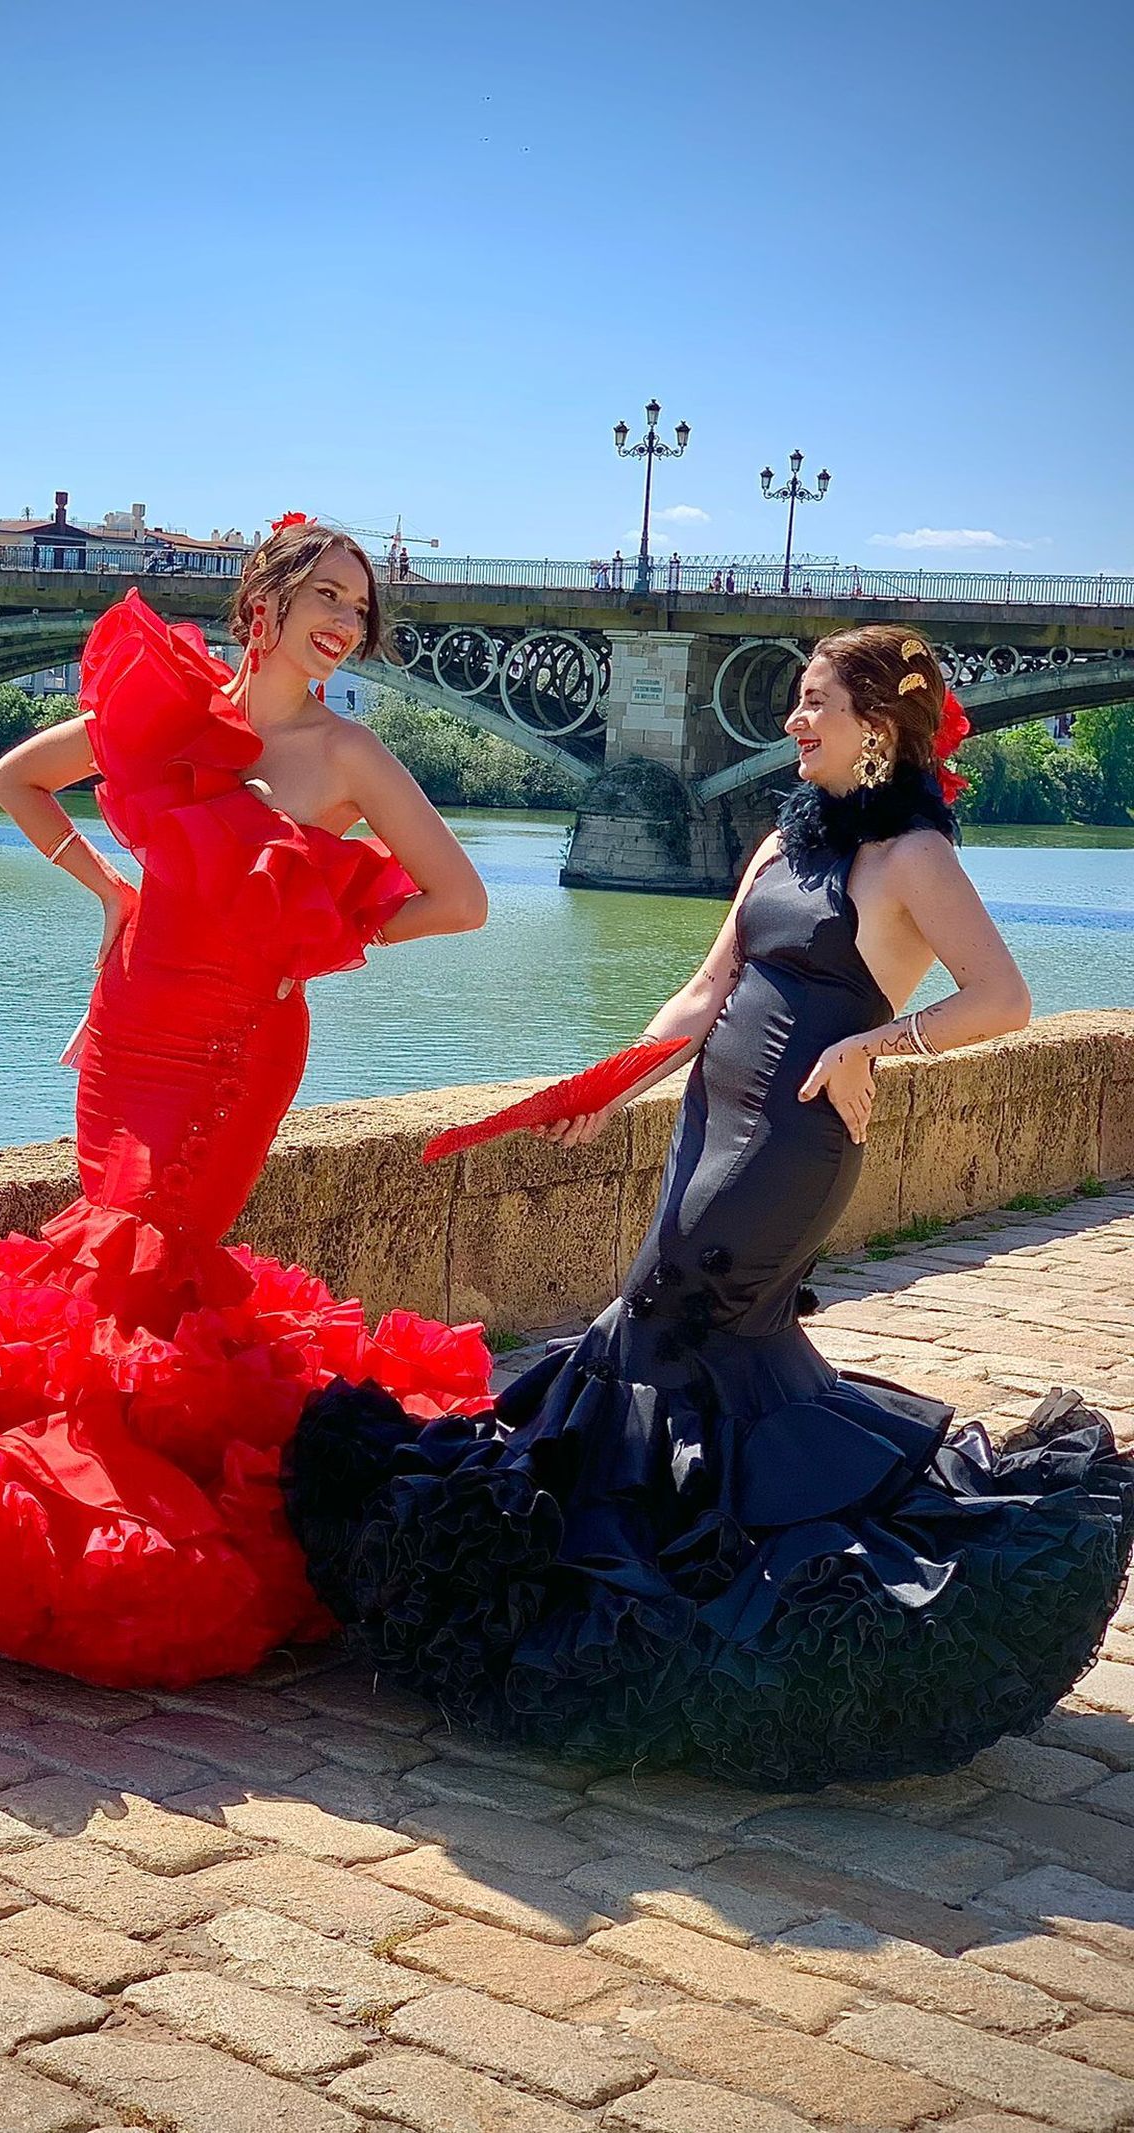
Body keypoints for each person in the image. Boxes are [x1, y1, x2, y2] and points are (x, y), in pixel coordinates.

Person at [288, 622, 1134, 1788]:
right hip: (707, 1120)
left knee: (669, 1321)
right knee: (700, 1353)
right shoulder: (777, 847)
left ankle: (689, 1622)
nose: (795, 721)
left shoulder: (912, 860)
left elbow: (1004, 1000)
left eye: (815, 705)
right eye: (792, 701)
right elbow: (703, 993)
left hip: (790, 1143)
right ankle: (696, 1605)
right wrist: (612, 1082)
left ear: (877, 729)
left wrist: (878, 1046)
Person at [0, 516, 493, 1689]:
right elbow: (14, 778)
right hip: (134, 1018)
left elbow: (461, 899)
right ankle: (45, 1523)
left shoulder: (348, 756)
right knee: (105, 1263)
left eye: (359, 608)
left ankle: (100, 1533)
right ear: (262, 600)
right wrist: (106, 886)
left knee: (152, 1250)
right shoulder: (164, 712)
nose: (343, 621)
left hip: (241, 1041)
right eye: (325, 592)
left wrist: (310, 941)